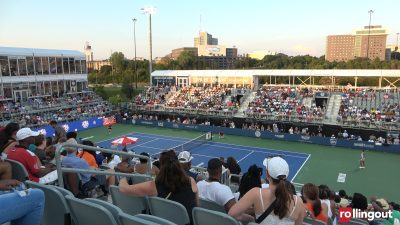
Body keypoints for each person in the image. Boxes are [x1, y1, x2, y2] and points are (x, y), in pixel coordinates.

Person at [119, 150, 198, 225]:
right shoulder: (191, 181)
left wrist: (124, 177)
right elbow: (196, 206)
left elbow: (123, 188)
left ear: (162, 166)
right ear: (177, 164)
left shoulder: (154, 186)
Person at [229, 157, 305, 225]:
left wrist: (251, 219)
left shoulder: (255, 193)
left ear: (267, 175)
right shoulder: (298, 201)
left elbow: (232, 214)